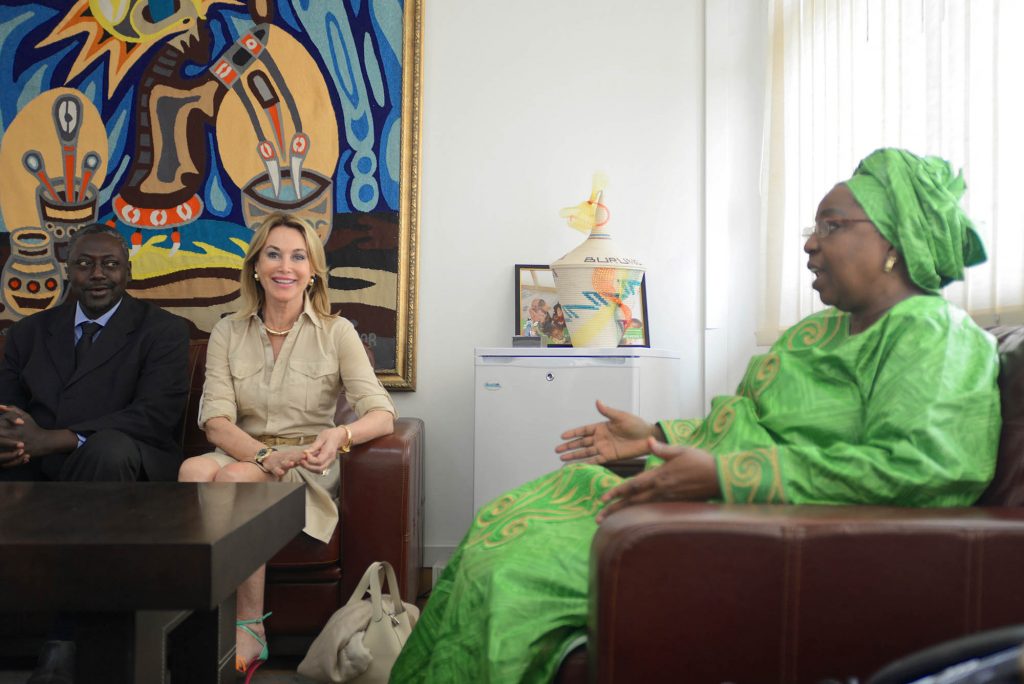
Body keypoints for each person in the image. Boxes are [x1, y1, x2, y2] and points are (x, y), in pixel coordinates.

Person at [390, 148, 1002, 682]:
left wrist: (725, 477)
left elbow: (926, 471)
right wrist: (654, 437)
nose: (812, 244)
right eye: (812, 228)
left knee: (512, 575)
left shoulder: (933, 335)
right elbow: (753, 426)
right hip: (724, 507)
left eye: (832, 225)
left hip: (759, 529)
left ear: (895, 238)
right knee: (501, 518)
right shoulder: (818, 331)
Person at [177, 212, 396, 681]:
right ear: (256, 265)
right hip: (245, 451)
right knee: (195, 470)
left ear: (313, 270)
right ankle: (195, 622)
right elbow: (215, 422)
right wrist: (260, 455)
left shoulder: (338, 332)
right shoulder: (226, 332)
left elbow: (381, 413)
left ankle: (249, 626)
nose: (285, 266)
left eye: (298, 256)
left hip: (307, 464)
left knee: (235, 480)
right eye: (273, 254)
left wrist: (340, 434)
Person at [0, 222, 190, 683]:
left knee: (108, 451)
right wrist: (20, 438)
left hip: (130, 468)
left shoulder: (162, 330)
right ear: (69, 271)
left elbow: (153, 416)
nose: (97, 274)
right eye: (85, 264)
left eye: (109, 264)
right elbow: (8, 406)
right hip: (37, 466)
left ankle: (65, 641)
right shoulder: (29, 333)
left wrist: (59, 438)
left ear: (128, 271)